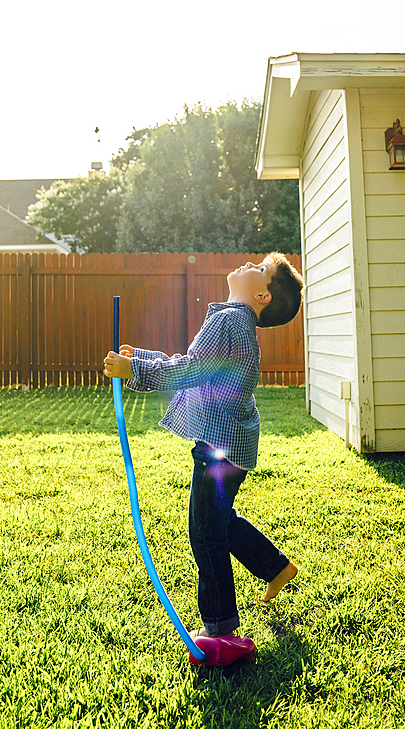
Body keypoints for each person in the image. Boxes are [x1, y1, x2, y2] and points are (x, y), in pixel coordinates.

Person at [103, 253, 304, 640]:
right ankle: (275, 566)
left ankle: (219, 628)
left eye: (260, 269)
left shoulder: (230, 320)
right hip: (231, 443)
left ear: (262, 296)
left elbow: (190, 370)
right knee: (218, 520)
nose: (249, 264)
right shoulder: (234, 321)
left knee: (205, 532)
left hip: (218, 447)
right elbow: (194, 364)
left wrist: (136, 370)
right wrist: (141, 358)